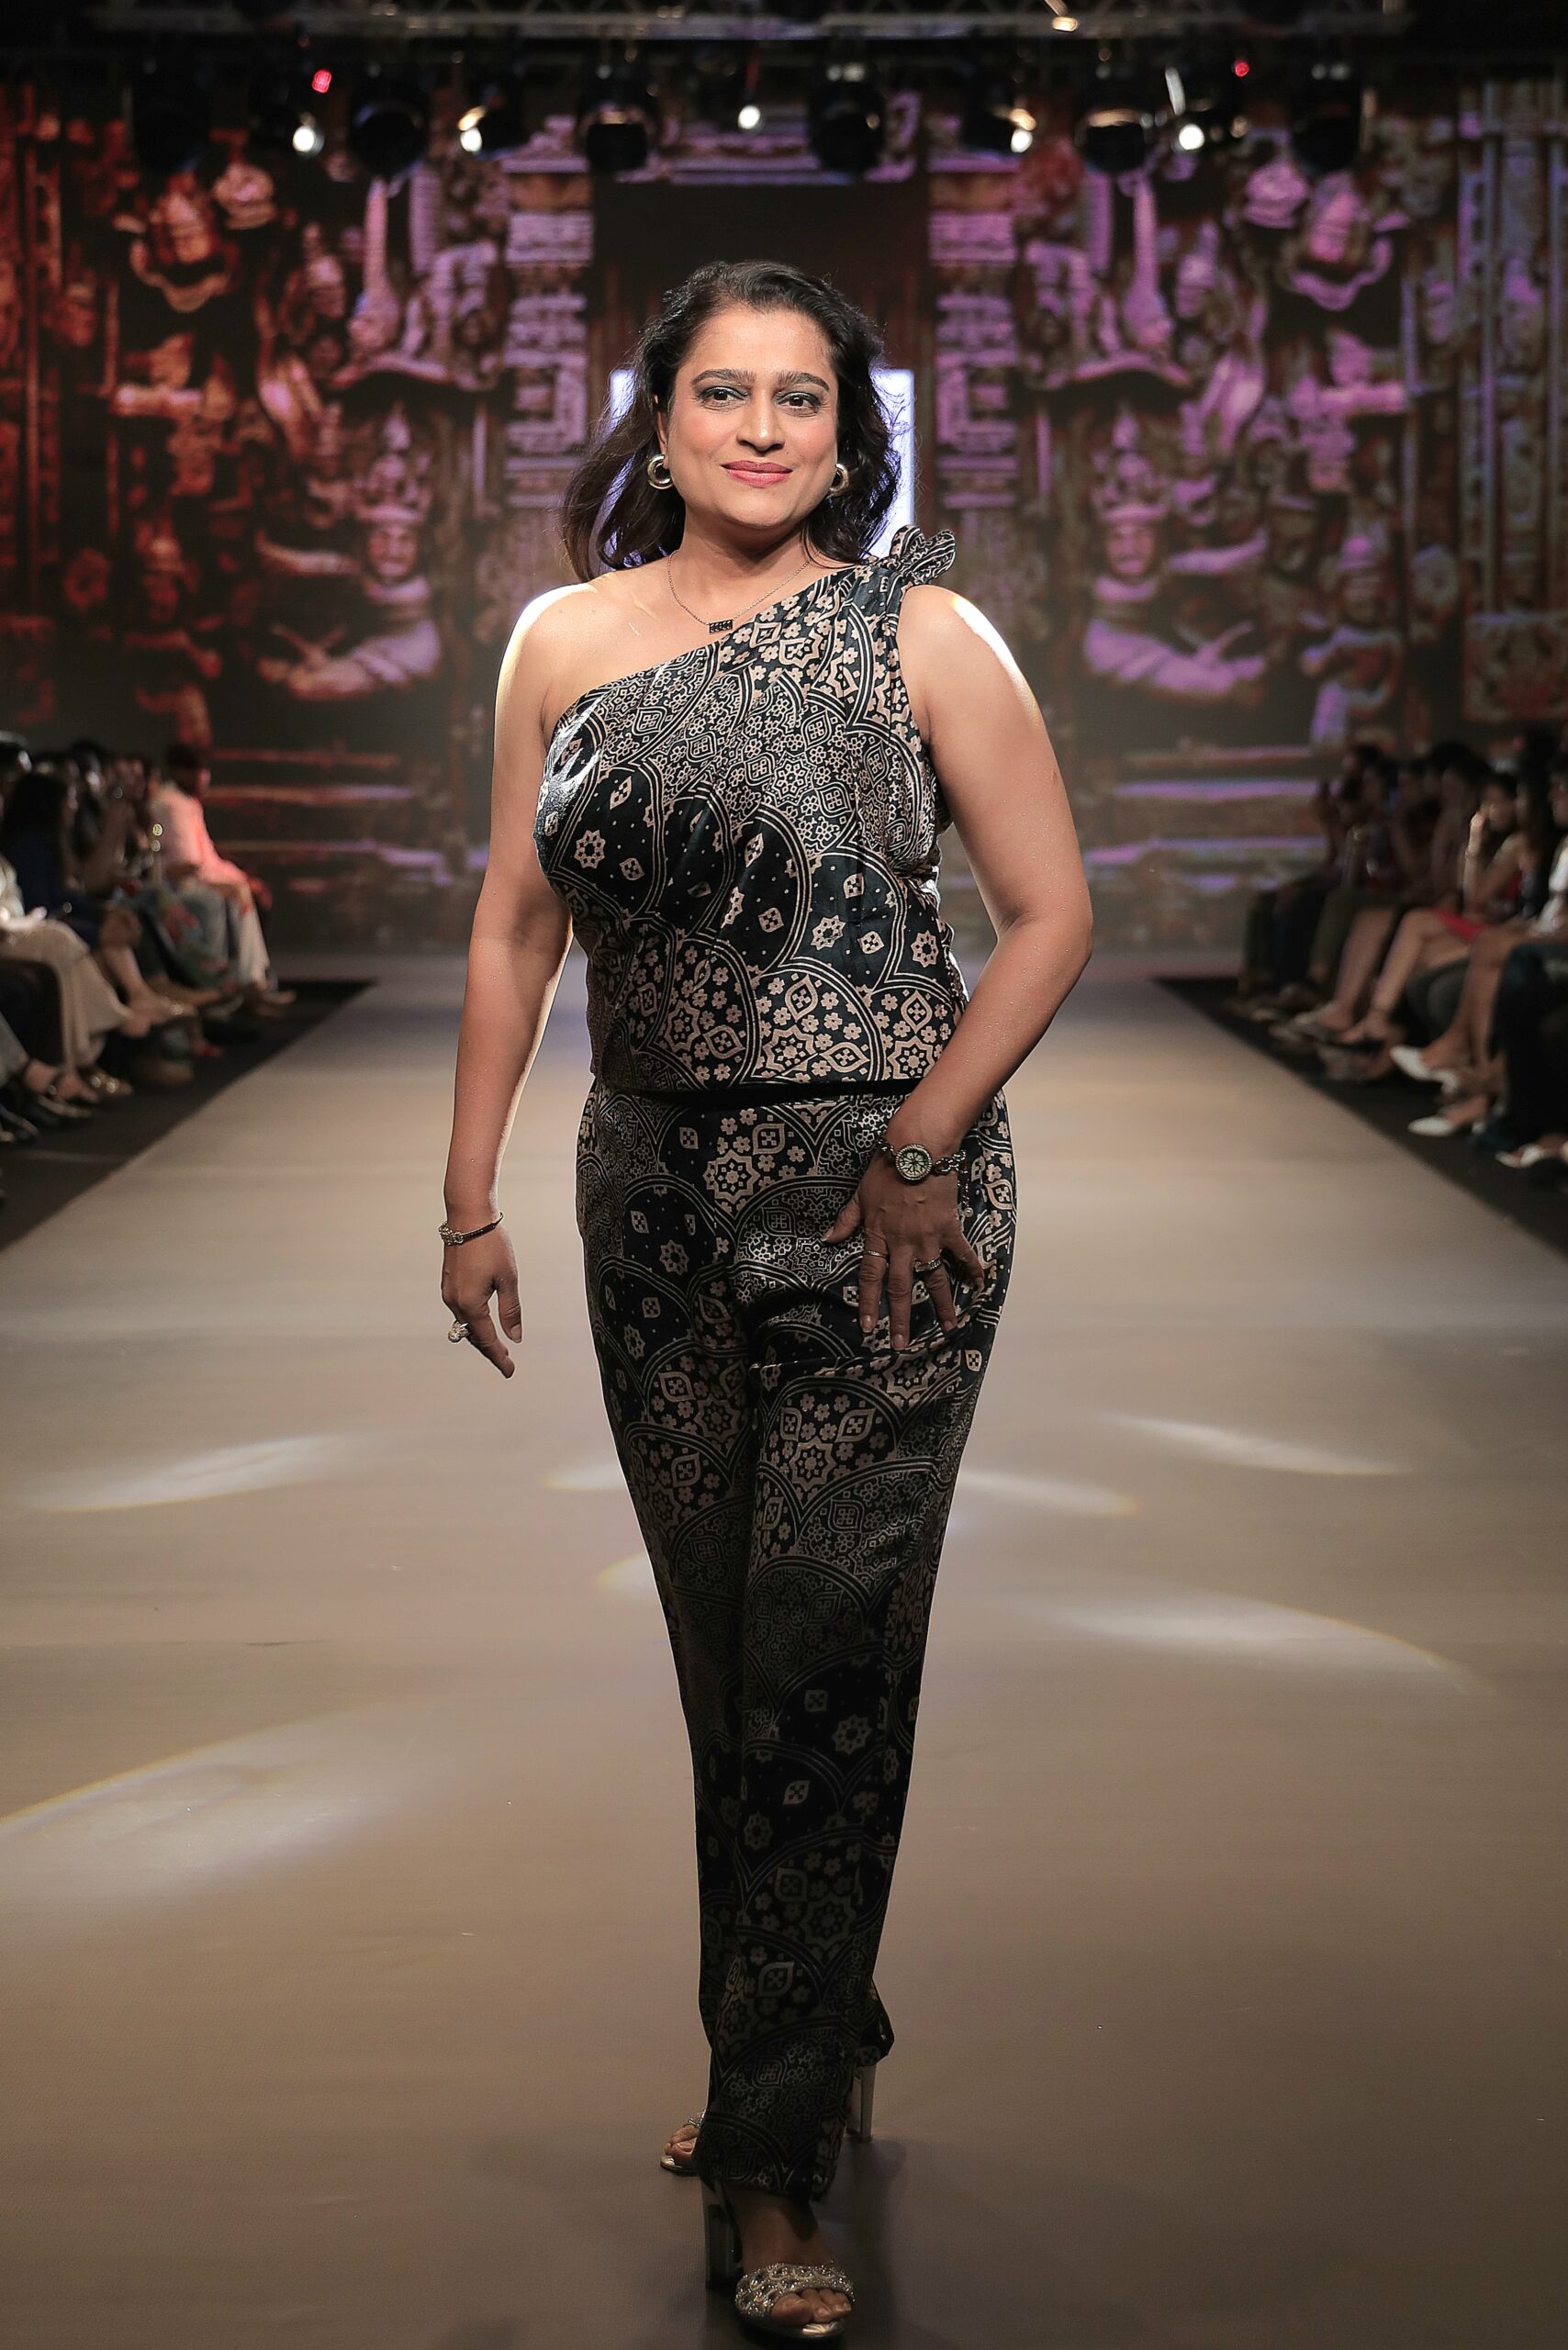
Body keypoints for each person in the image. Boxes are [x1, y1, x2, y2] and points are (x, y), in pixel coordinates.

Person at [439, 261, 1092, 2342]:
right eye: (720, 393)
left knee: (823, 1641)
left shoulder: (921, 633)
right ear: (657, 419)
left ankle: (770, 2150)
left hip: (883, 1199)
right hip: (645, 1188)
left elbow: (1051, 915)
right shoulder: (561, 640)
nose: (758, 430)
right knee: (730, 1658)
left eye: (799, 399)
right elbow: (515, 926)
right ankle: (804, 2020)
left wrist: (920, 1143)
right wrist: (465, 1194)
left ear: (845, 434)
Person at [148, 743, 296, 1012]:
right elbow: (188, 864)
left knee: (242, 892)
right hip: (176, 884)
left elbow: (206, 858)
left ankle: (249, 982)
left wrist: (241, 878)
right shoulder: (170, 804)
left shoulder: (187, 803)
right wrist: (237, 883)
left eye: (205, 770)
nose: (203, 777)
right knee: (230, 897)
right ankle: (240, 985)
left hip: (192, 879)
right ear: (179, 771)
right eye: (197, 770)